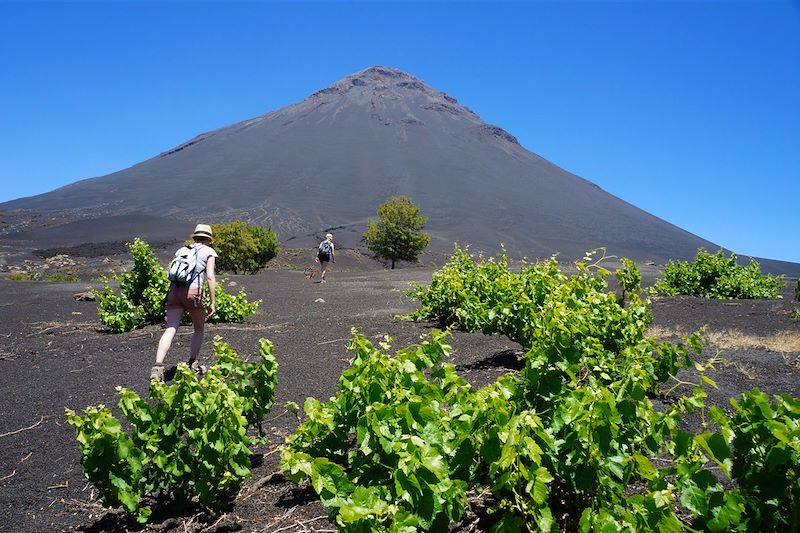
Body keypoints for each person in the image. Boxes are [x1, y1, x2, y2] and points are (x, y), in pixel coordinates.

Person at [150, 224, 217, 382]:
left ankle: (158, 367)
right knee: (199, 329)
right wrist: (212, 302)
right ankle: (192, 364)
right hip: (193, 293)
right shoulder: (209, 252)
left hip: (173, 292)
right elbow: (210, 277)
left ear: (195, 237)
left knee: (170, 329)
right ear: (209, 240)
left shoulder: (182, 250)